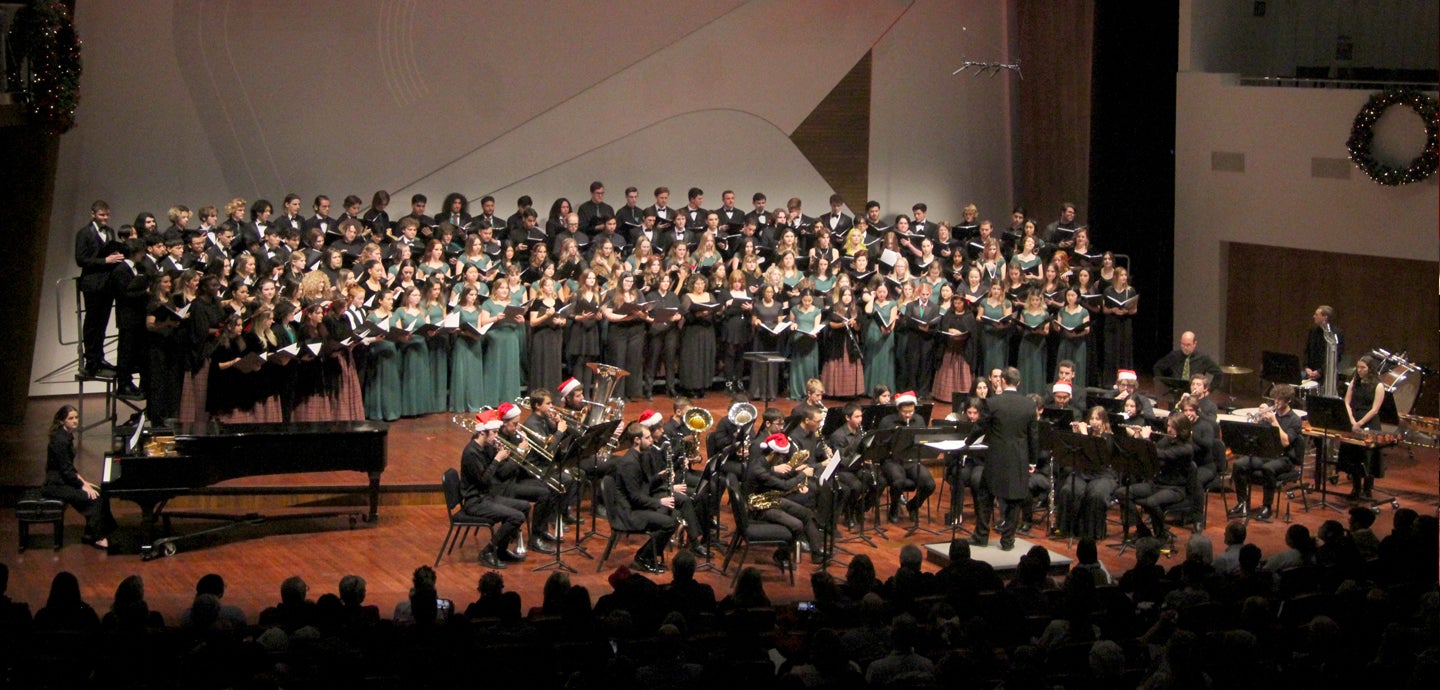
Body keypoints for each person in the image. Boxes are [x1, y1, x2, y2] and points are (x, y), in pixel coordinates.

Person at [459, 410, 532, 568]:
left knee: (525, 506)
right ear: (483, 433)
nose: (496, 436)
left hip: (487, 497)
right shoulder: (471, 453)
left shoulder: (485, 448)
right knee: (516, 516)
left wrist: (498, 455)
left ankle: (501, 550)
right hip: (475, 501)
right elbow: (484, 481)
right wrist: (497, 460)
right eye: (494, 433)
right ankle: (488, 551)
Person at [973, 368, 1035, 551]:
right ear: (1019, 383)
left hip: (996, 458)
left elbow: (980, 427)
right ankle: (1008, 541)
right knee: (1015, 500)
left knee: (985, 494)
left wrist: (967, 441)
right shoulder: (1029, 405)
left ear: (1002, 381)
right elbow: (1034, 437)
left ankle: (981, 536)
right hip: (1019, 459)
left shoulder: (993, 403)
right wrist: (1032, 461)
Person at [610, 415, 679, 574]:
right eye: (647, 438)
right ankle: (642, 557)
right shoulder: (629, 463)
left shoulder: (638, 456)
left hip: (636, 506)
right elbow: (635, 497)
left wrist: (659, 477)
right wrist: (659, 502)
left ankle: (650, 555)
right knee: (668, 523)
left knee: (671, 515)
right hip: (629, 513)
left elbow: (642, 487)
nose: (652, 441)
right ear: (636, 440)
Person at [745, 433, 826, 565]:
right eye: (780, 456)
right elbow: (784, 486)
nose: (782, 459)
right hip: (759, 508)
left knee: (806, 513)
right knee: (797, 525)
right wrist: (802, 475)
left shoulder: (763, 462)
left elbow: (779, 477)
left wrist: (796, 471)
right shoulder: (758, 469)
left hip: (769, 500)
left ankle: (817, 553)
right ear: (772, 453)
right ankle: (781, 556)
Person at [1229, 384, 1304, 520]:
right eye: (1275, 399)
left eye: (1280, 400)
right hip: (1267, 454)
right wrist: (1259, 421)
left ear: (1288, 401)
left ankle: (1267, 507)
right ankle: (1242, 503)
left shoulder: (1295, 420)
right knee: (1239, 465)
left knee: (1267, 468)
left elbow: (1286, 442)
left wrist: (1274, 421)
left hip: (1285, 458)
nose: (1276, 402)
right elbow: (1259, 437)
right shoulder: (1271, 415)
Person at [43, 405, 113, 548]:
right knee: (94, 498)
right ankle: (97, 537)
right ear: (62, 421)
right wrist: (82, 485)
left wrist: (84, 482)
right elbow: (66, 471)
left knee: (100, 492)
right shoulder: (59, 440)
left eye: (76, 417)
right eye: (71, 418)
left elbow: (69, 468)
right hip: (56, 485)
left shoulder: (66, 436)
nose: (75, 421)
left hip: (64, 480)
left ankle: (91, 532)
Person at [1054, 406, 1118, 540]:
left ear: (1104, 421)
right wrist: (1075, 435)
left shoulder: (1108, 437)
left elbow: (1094, 454)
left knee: (1096, 495)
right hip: (1083, 472)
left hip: (1103, 475)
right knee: (1068, 490)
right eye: (1092, 418)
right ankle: (1067, 529)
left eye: (1098, 419)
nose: (1094, 422)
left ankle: (1092, 533)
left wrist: (1082, 435)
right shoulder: (1087, 434)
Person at [75, 201, 122, 376]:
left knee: (102, 322)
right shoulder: (84, 233)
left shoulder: (109, 232)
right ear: (93, 214)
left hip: (107, 284)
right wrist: (104, 261)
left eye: (107, 215)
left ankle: (99, 357)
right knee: (92, 323)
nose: (105, 218)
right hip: (92, 284)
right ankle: (90, 360)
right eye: (102, 215)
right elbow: (81, 259)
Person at [878, 391, 934, 524]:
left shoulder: (919, 420)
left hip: (911, 460)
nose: (908, 414)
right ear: (898, 409)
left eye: (911, 411)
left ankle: (912, 506)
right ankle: (894, 508)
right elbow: (880, 445)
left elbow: (924, 440)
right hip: (891, 460)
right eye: (905, 412)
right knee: (898, 481)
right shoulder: (887, 422)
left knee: (929, 484)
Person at [1339, 354, 1386, 498]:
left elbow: (1375, 409)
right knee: (1353, 456)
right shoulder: (1354, 382)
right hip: (1354, 420)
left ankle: (1367, 489)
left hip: (1369, 422)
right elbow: (1346, 402)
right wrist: (1352, 420)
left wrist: (1360, 423)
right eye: (1358, 367)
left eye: (1362, 367)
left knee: (1368, 457)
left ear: (1370, 369)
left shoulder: (1378, 386)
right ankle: (1355, 488)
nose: (1359, 370)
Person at [1152, 330, 1222, 396]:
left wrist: (1209, 390)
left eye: (1188, 345)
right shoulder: (1174, 356)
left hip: (1194, 394)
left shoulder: (1203, 358)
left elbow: (1218, 373)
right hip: (1176, 394)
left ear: (1195, 344)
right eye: (1183, 344)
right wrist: (1163, 385)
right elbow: (1157, 367)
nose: (1185, 347)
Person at [1101, 267, 1137, 382]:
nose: (1124, 278)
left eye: (1125, 275)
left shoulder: (1130, 291)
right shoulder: (1108, 291)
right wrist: (1113, 310)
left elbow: (1134, 310)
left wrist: (1126, 311)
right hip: (1111, 324)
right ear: (1116, 277)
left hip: (1125, 324)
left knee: (1124, 351)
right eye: (1121, 275)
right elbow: (1104, 309)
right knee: (1110, 352)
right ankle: (1109, 381)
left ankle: (1124, 380)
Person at [1304, 305, 1342, 383]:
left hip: (1327, 374)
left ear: (1325, 317)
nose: (1313, 316)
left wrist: (1320, 371)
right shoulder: (1313, 331)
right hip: (1310, 372)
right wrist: (1306, 367)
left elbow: (1337, 356)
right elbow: (1307, 350)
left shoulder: (1336, 333)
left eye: (1316, 315)